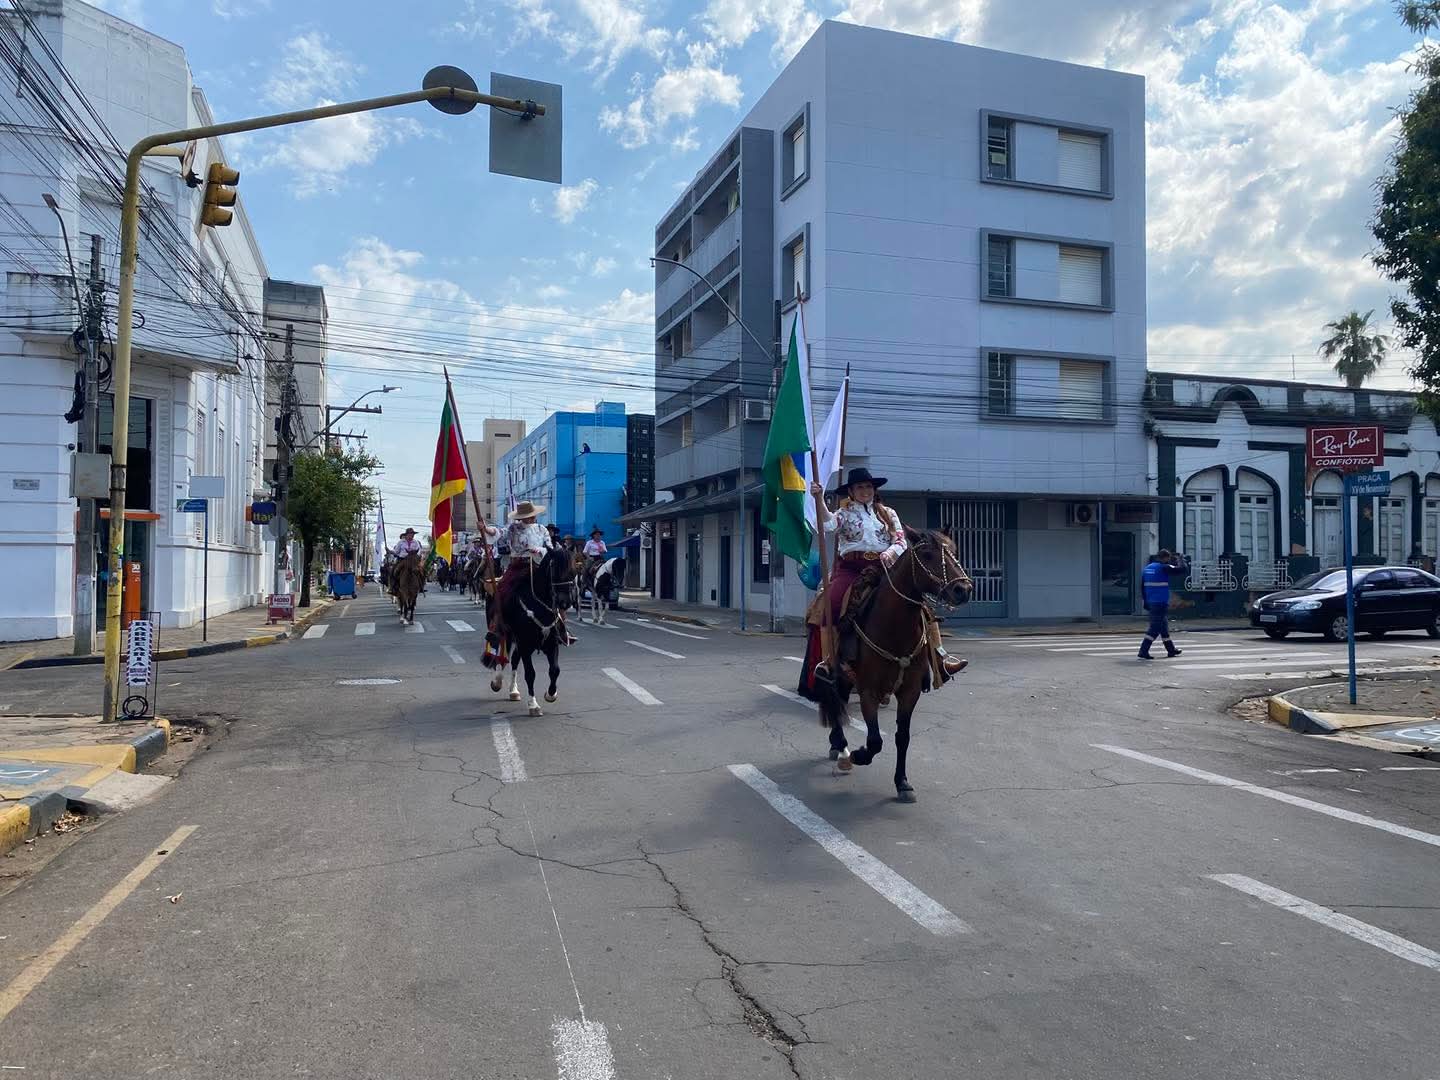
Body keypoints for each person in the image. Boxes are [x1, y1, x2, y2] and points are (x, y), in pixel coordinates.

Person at [810, 468, 967, 681]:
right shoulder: (844, 513)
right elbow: (827, 524)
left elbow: (901, 541)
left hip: (884, 566)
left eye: (868, 486)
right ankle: (829, 662)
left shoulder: (888, 513)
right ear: (851, 492)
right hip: (851, 568)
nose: (865, 491)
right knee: (832, 603)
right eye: (859, 487)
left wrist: (889, 553)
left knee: (921, 604)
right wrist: (819, 499)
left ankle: (941, 660)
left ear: (874, 490)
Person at [1138, 549, 1189, 660]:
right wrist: (1181, 559)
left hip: (1151, 602)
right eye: (1169, 558)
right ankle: (1143, 650)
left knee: (1163, 627)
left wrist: (1146, 602)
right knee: (1155, 628)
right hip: (1160, 602)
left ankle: (1171, 650)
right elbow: (1182, 570)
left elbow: (1142, 587)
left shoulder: (1147, 569)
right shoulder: (1163, 567)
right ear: (1166, 558)